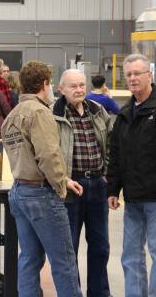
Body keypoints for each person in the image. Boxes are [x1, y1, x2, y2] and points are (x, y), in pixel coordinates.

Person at [2, 60, 83, 297]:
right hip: (41, 194)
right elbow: (48, 155)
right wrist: (60, 185)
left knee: (29, 258)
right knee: (64, 261)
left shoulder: (12, 116)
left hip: (19, 192)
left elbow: (23, 156)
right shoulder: (40, 112)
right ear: (45, 84)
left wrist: (62, 180)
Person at [107, 54, 156, 297]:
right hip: (133, 198)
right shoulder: (126, 112)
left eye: (137, 73)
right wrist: (113, 188)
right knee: (131, 257)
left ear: (149, 75)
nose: (132, 78)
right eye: (128, 75)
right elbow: (117, 152)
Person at [53, 69, 113, 297]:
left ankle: (99, 293)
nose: (79, 90)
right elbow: (48, 153)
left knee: (100, 246)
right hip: (71, 186)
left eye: (81, 85)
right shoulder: (54, 114)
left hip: (98, 184)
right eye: (73, 86)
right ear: (61, 89)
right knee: (70, 248)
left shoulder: (97, 111)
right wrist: (63, 179)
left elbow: (109, 142)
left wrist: (106, 172)